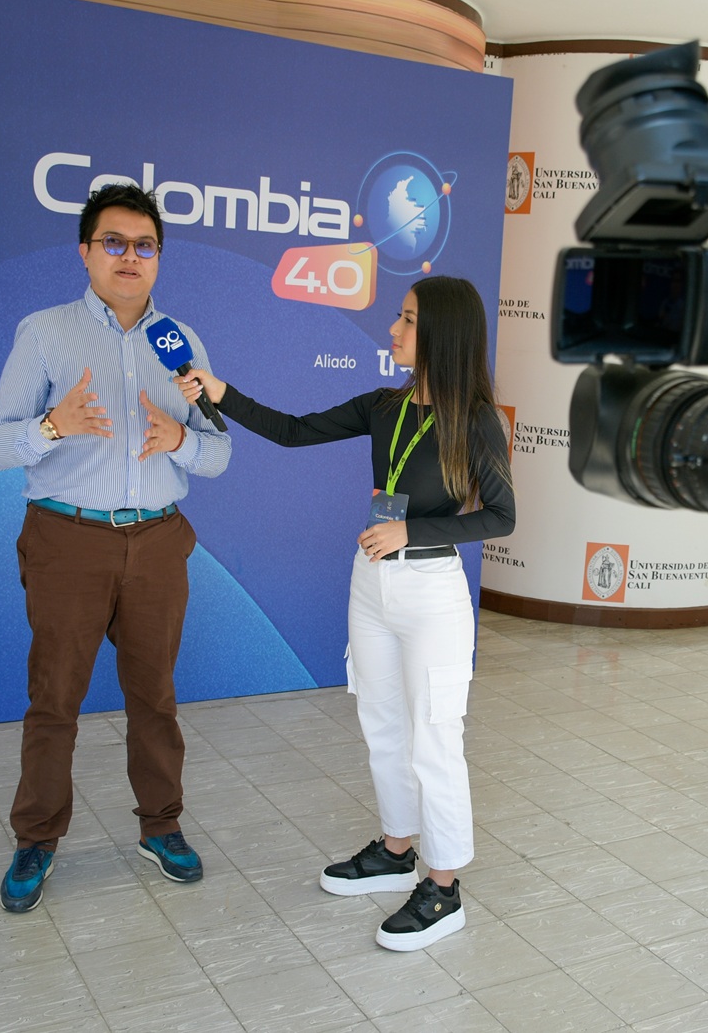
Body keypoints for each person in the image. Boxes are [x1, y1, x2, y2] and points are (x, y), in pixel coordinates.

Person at [175, 275, 515, 950]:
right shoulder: (385, 405)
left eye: (408, 320)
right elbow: (294, 432)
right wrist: (221, 393)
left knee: (435, 737)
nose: (393, 329)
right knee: (382, 724)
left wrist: (411, 532)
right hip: (373, 583)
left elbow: (501, 516)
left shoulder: (476, 420)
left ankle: (444, 887)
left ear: (442, 333)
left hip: (431, 591)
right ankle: (396, 849)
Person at [0, 182, 231, 913]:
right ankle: (37, 838)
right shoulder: (44, 334)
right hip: (67, 540)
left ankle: (162, 826)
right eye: (114, 243)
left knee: (155, 697)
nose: (130, 257)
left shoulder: (181, 343)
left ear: (159, 257)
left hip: (157, 542)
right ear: (85, 253)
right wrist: (52, 426)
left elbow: (219, 453)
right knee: (55, 698)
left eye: (144, 245)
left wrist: (180, 438)